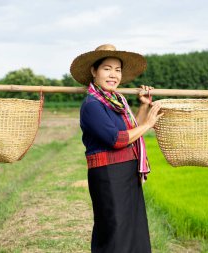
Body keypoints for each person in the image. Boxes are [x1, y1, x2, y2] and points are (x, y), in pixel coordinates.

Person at [70, 44, 163, 253]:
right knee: (114, 231)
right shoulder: (92, 105)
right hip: (108, 177)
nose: (113, 74)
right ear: (94, 71)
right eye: (107, 68)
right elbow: (118, 139)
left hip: (127, 174)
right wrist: (149, 124)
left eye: (117, 70)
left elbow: (132, 130)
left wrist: (143, 106)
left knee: (133, 230)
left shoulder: (117, 101)